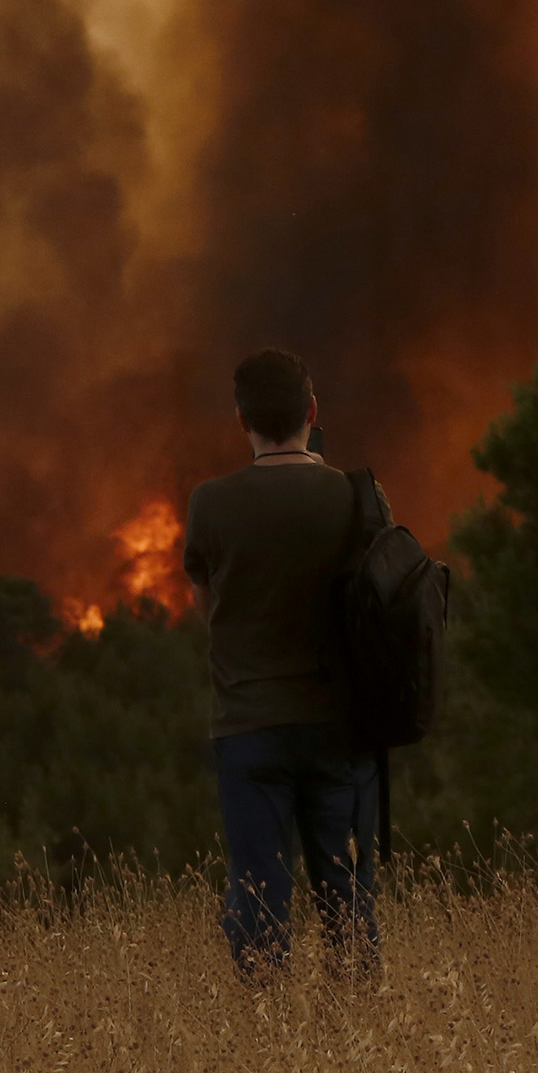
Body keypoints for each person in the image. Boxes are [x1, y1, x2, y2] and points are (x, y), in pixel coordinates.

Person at [179, 345, 380, 975]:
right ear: (312, 410)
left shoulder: (210, 503)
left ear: (242, 420)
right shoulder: (358, 498)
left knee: (258, 891)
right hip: (339, 726)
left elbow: (206, 607)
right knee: (346, 892)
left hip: (249, 727)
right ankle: (361, 1034)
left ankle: (267, 1038)